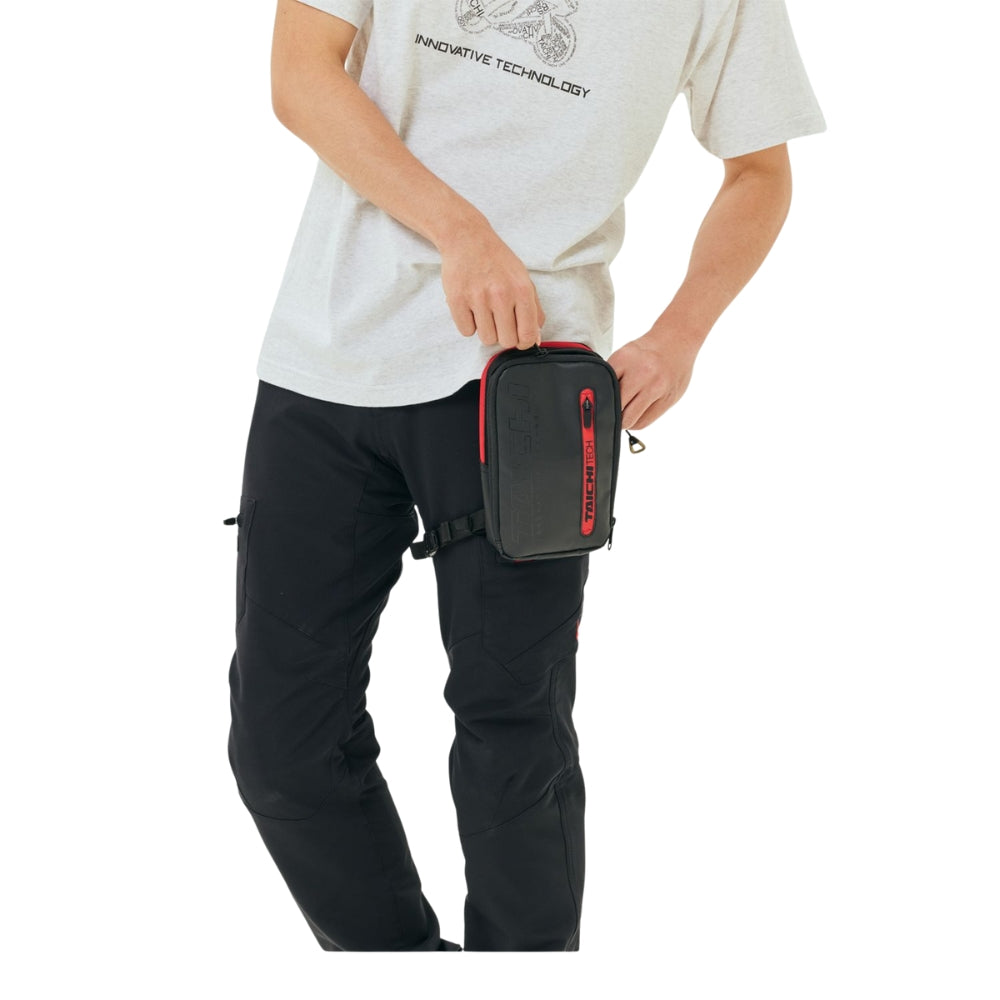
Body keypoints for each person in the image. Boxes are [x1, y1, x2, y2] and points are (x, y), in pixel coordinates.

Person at [225, 0, 826, 952]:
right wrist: (458, 228)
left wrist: (681, 335)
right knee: (279, 747)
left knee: (516, 747)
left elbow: (760, 169)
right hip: (329, 362)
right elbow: (300, 76)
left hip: (531, 393)